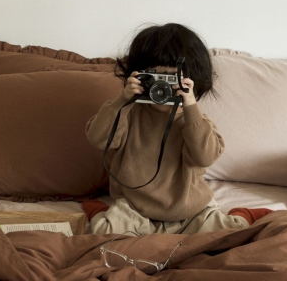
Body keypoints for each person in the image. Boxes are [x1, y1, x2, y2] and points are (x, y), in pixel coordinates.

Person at [84, 23, 273, 235]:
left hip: (190, 210)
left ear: (192, 82)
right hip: (136, 208)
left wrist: (190, 106)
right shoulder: (127, 113)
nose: (162, 88)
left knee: (228, 235)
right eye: (155, 78)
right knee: (103, 233)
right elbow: (98, 139)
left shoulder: (197, 122)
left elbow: (205, 157)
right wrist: (122, 100)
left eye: (171, 80)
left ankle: (242, 214)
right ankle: (98, 212)